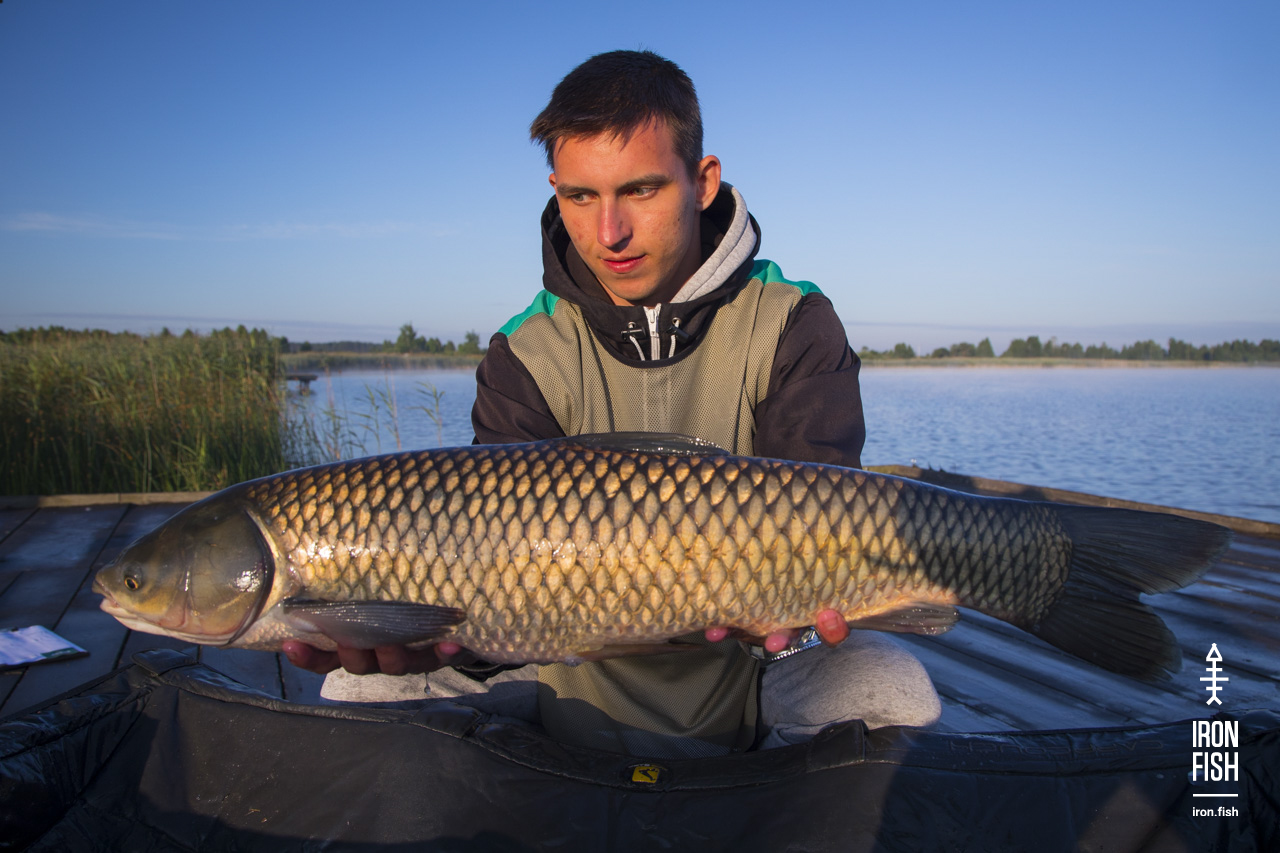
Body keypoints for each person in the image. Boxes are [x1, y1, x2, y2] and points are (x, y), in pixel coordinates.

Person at [286, 50, 940, 757]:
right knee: (356, 690)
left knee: (891, 691)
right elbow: (492, 571)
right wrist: (417, 636)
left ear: (703, 182)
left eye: (641, 190)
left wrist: (805, 614)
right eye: (580, 197)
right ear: (555, 189)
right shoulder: (525, 352)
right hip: (559, 665)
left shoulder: (792, 321)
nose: (609, 233)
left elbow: (823, 525)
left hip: (755, 662)